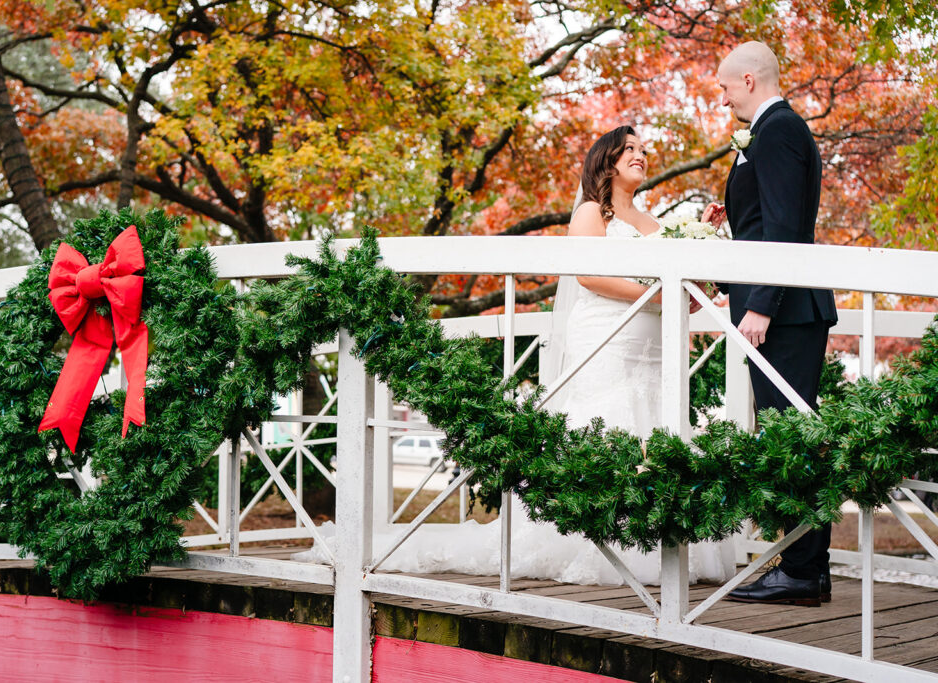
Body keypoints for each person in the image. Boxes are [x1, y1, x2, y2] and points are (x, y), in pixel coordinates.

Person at [294, 126, 736, 587]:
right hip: (606, 339)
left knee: (656, 429)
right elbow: (588, 276)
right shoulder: (591, 212)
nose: (641, 155)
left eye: (644, 149)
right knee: (608, 426)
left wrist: (701, 234)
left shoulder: (652, 224)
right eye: (629, 149)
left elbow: (678, 282)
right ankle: (598, 543)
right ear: (606, 159)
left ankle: (658, 541)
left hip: (653, 351)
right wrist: (656, 298)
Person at [703, 41, 838, 607]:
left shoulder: (778, 130)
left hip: (783, 313)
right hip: (779, 307)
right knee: (786, 435)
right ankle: (804, 565)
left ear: (750, 80)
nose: (723, 95)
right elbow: (766, 222)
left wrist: (759, 304)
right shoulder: (774, 130)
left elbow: (785, 227)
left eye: (725, 86)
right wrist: (731, 231)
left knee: (791, 437)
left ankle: (804, 572)